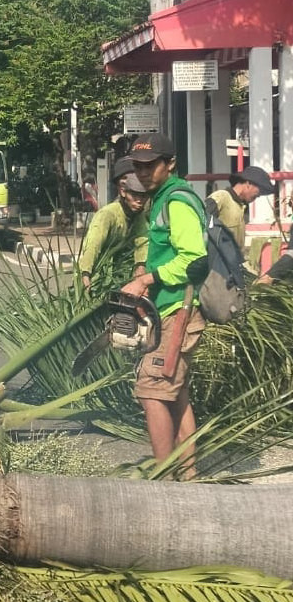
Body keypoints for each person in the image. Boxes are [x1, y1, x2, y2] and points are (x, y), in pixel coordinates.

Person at [120, 133, 208, 481]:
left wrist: (147, 280)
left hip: (179, 310)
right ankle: (188, 476)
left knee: (152, 391)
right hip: (169, 309)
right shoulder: (161, 199)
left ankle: (164, 479)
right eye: (138, 166)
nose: (142, 172)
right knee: (177, 395)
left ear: (170, 164)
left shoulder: (177, 201)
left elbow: (194, 261)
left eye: (149, 165)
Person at [77, 172, 150, 291]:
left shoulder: (139, 215)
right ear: (123, 192)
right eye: (134, 195)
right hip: (97, 270)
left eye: (143, 196)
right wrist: (85, 273)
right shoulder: (107, 214)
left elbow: (142, 241)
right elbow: (93, 244)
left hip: (120, 272)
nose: (139, 201)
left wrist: (140, 266)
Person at [205, 165, 276, 255]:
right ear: (248, 184)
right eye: (259, 191)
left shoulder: (240, 207)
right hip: (217, 261)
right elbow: (202, 223)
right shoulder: (221, 197)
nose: (259, 195)